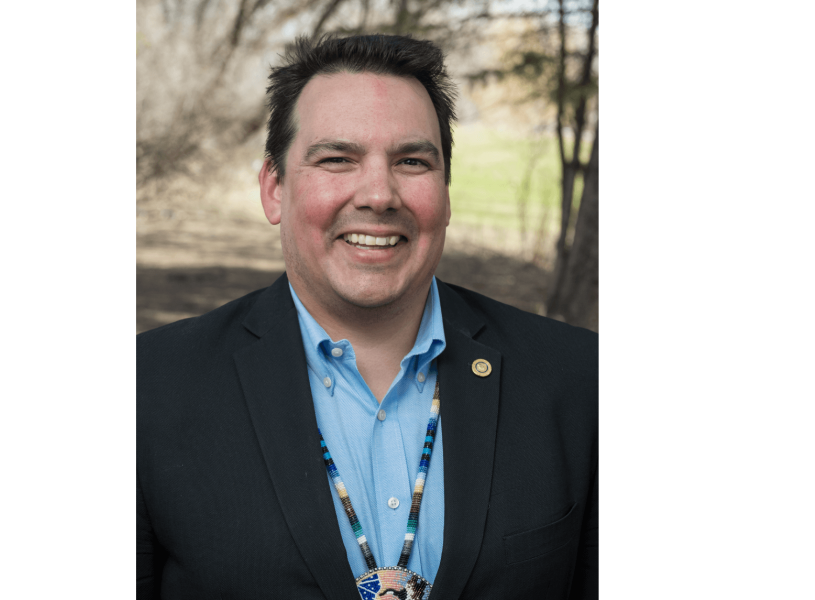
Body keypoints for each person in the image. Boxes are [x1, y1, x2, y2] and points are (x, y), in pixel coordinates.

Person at [136, 34, 598, 600]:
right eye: (337, 159)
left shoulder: (578, 380)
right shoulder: (151, 388)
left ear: (446, 194)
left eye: (411, 161)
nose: (379, 194)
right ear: (274, 188)